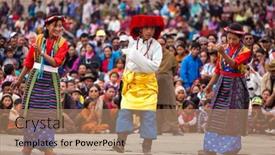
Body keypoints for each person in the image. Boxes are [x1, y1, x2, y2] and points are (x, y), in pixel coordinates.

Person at [11, 15, 69, 155]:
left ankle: (46, 146)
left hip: (51, 82)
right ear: (47, 26)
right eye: (55, 25)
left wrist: (42, 53)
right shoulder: (38, 39)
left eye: (60, 25)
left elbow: (56, 62)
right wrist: (19, 80)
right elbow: (29, 63)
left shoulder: (63, 43)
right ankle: (29, 144)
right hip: (34, 82)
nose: (58, 28)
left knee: (48, 115)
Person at [113, 15, 164, 155]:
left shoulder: (157, 46)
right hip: (132, 84)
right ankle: (120, 143)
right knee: (125, 112)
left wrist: (133, 55)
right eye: (146, 28)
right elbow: (121, 52)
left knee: (149, 116)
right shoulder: (131, 42)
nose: (149, 31)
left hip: (148, 85)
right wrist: (132, 54)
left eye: (152, 28)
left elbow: (153, 67)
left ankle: (147, 147)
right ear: (139, 29)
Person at [203, 23, 251, 155]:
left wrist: (223, 54)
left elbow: (234, 64)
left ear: (240, 38)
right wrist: (208, 86)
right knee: (216, 114)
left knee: (232, 116)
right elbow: (218, 71)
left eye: (234, 39)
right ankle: (211, 147)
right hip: (222, 84)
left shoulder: (246, 51)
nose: (231, 41)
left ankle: (229, 148)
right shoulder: (223, 48)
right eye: (229, 38)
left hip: (236, 85)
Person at [156, 45, 179, 135]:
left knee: (169, 105)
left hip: (166, 81)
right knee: (157, 106)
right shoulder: (151, 55)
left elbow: (175, 68)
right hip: (156, 81)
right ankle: (158, 128)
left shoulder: (170, 55)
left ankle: (174, 128)